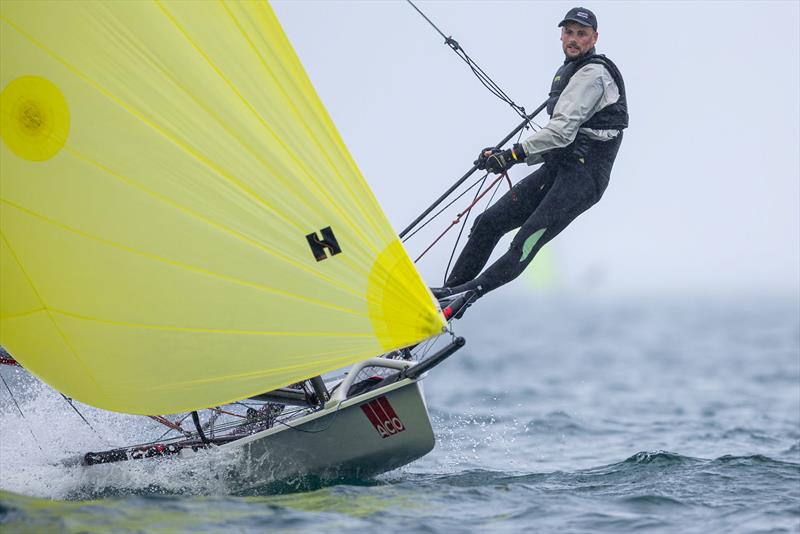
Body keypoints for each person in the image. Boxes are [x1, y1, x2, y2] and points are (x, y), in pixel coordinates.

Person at [431, 7, 628, 309]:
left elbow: (561, 132)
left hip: (585, 178)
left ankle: (460, 298)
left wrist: (512, 155)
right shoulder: (572, 72)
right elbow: (559, 137)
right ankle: (446, 296)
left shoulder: (593, 74)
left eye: (582, 34)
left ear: (594, 38)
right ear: (561, 34)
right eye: (569, 32)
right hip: (559, 167)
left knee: (525, 242)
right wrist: (501, 155)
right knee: (488, 223)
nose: (574, 40)